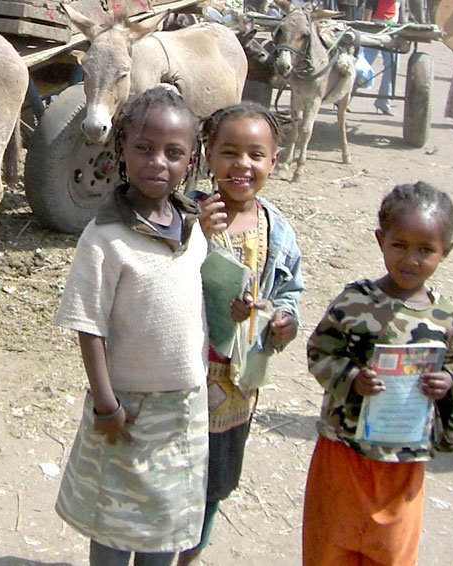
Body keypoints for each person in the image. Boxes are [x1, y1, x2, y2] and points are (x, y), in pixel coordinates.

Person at [53, 85, 209, 566]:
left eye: (173, 153)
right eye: (143, 148)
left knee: (165, 525)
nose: (157, 162)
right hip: (126, 408)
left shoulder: (193, 225)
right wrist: (106, 405)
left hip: (184, 407)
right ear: (120, 148)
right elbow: (89, 326)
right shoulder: (105, 238)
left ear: (191, 160)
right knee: (114, 524)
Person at [302, 182, 453, 566]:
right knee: (330, 545)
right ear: (381, 241)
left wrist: (447, 383)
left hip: (403, 461)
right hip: (344, 452)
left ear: (446, 251)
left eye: (425, 249)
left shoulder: (442, 318)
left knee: (391, 552)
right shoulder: (355, 302)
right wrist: (351, 379)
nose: (411, 259)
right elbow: (319, 350)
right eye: (400, 245)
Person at [177, 102, 305, 566]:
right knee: (174, 474)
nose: (242, 166)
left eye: (256, 155)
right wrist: (196, 238)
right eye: (229, 152)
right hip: (183, 376)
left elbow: (288, 290)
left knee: (216, 478)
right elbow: (161, 281)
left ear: (274, 161)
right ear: (208, 154)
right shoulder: (185, 213)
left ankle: (191, 555)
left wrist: (284, 322)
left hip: (236, 385)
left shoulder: (278, 228)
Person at [362, 0, 401, 115]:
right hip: (375, 28)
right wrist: (366, 28)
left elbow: (401, 10)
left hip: (393, 29)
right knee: (363, 64)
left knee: (393, 66)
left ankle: (384, 100)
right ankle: (344, 97)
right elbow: (368, 7)